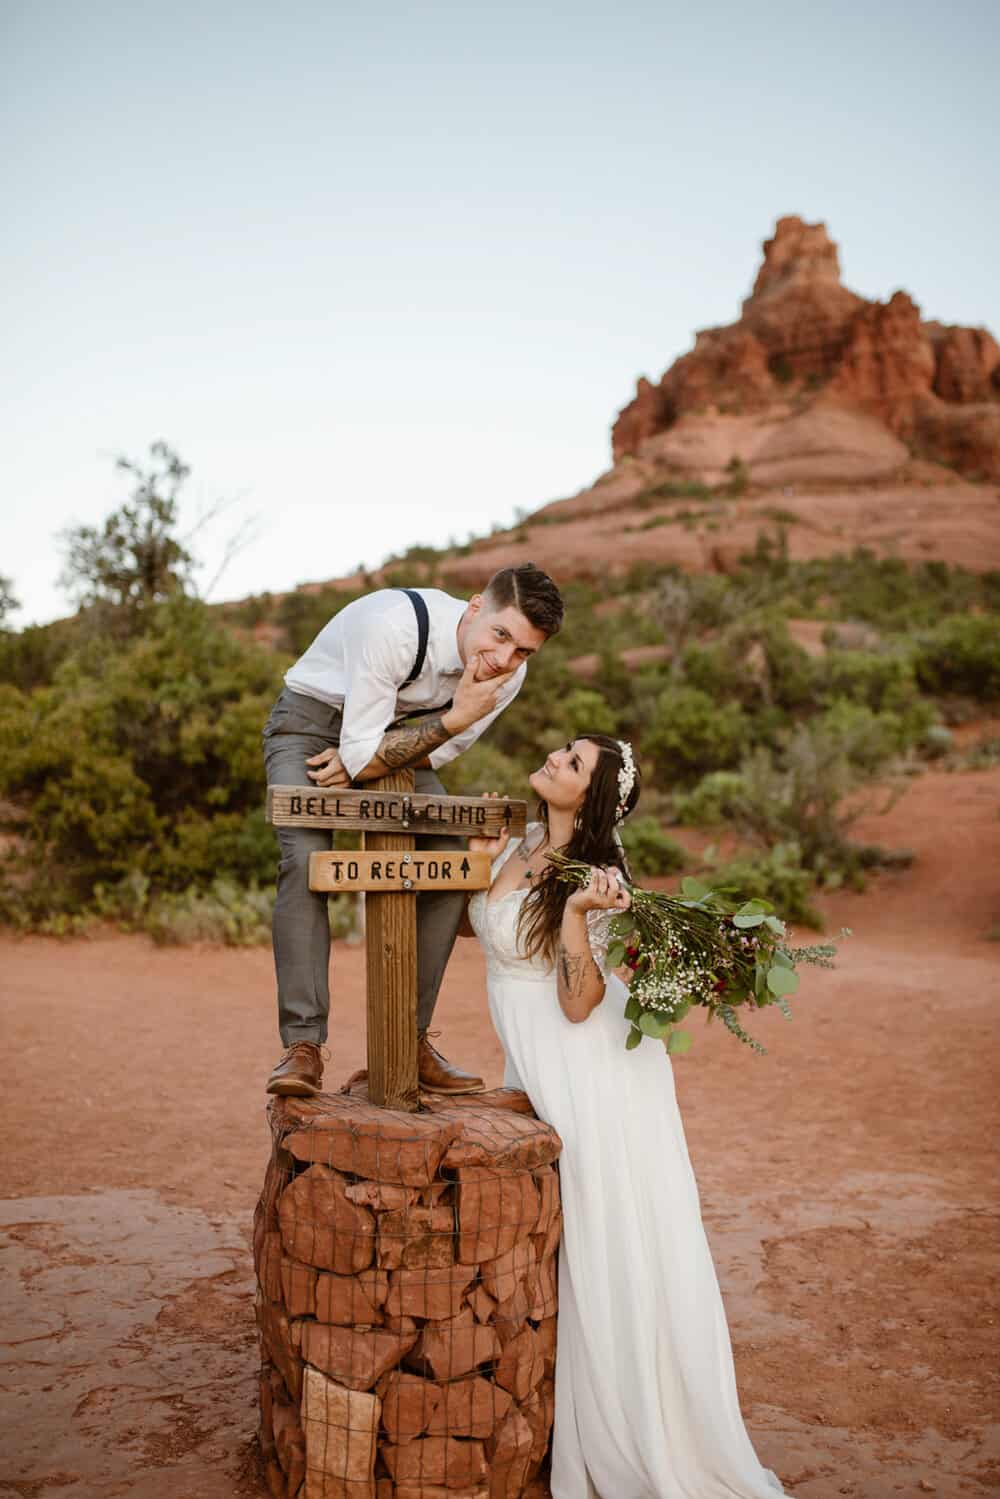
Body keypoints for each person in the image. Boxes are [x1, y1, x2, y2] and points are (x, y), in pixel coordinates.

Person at [465, 735, 784, 1499]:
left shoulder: (598, 876)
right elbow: (489, 925)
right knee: (577, 1236)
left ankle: (640, 1434)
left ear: (593, 798)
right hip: (541, 1060)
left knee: (609, 1242)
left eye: (573, 763)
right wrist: (477, 860)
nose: (555, 757)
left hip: (592, 1070)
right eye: (564, 748)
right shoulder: (523, 838)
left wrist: (577, 913)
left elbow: (580, 1002)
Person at [261, 564, 564, 1098]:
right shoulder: (395, 626)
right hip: (310, 724)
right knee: (306, 862)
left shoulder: (508, 676)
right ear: (475, 607)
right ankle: (303, 1045)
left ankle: (409, 1039)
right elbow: (397, 743)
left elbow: (440, 751)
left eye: (523, 651)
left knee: (451, 860)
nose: (504, 660)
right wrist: (440, 723)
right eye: (500, 635)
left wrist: (371, 755)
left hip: (395, 739)